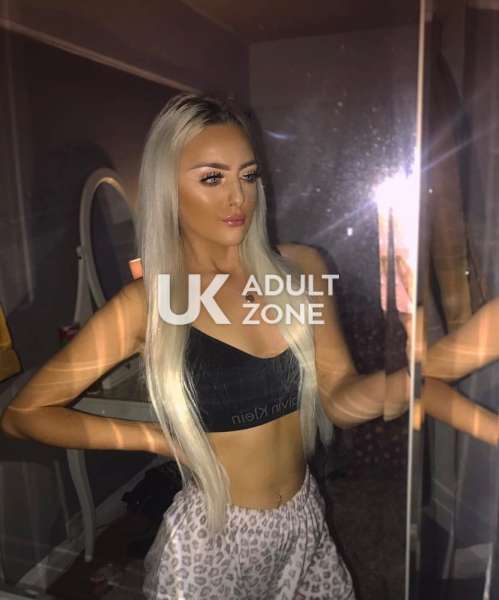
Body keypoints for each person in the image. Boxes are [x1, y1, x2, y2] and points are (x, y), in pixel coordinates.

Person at [1, 93, 414, 599]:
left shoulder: (302, 269)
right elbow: (24, 414)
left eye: (248, 175)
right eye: (213, 178)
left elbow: (339, 395)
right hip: (212, 541)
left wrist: (409, 380)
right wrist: (152, 438)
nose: (238, 197)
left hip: (303, 520)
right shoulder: (148, 304)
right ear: (169, 190)